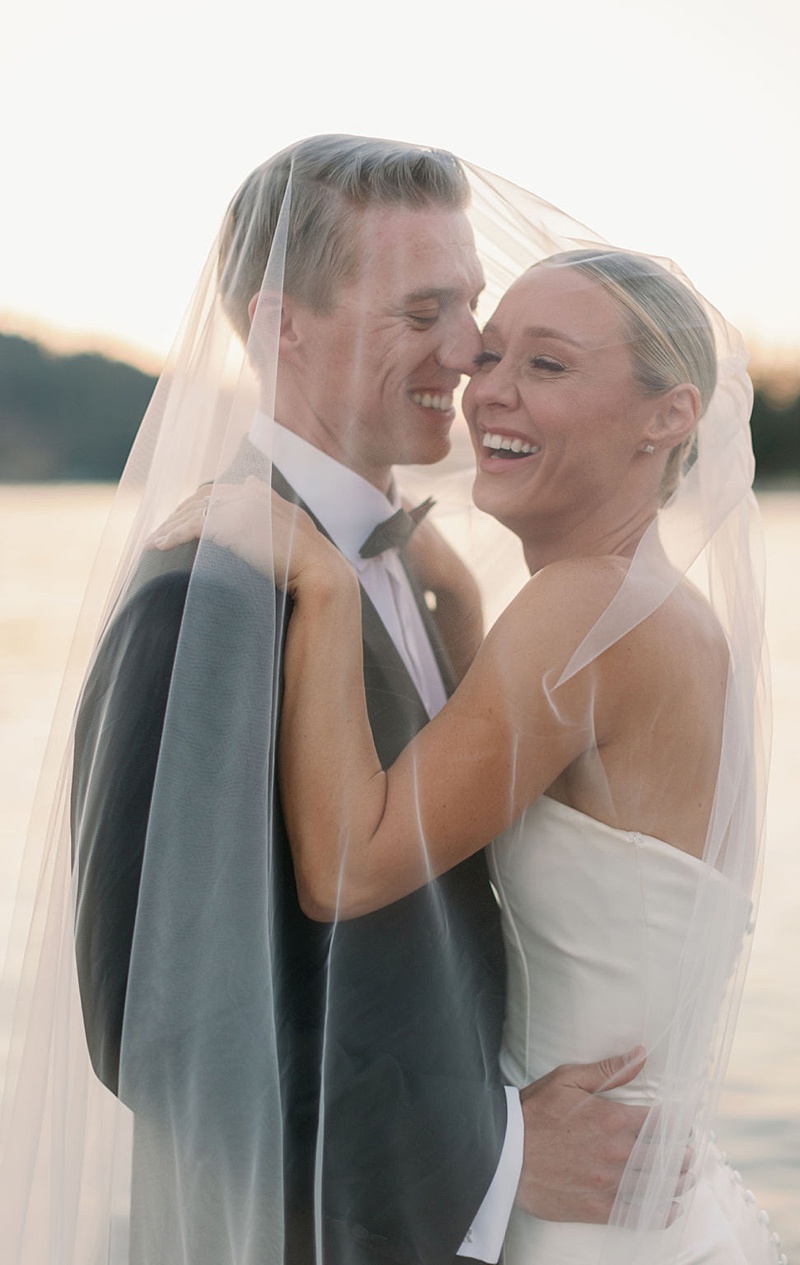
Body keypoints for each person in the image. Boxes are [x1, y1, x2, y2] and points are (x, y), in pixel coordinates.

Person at [36, 137, 681, 1264]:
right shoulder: (211, 590)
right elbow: (161, 1025)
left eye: (469, 303)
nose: (473, 348)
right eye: (422, 309)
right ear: (283, 323)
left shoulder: (423, 577)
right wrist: (500, 1151)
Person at [152, 247, 779, 1265]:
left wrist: (323, 584)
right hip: (640, 1200)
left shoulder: (588, 610)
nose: (489, 390)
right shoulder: (654, 610)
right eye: (489, 355)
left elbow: (349, 863)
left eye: (548, 365)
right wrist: (463, 613)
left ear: (669, 415)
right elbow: (554, 789)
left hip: (580, 1216)